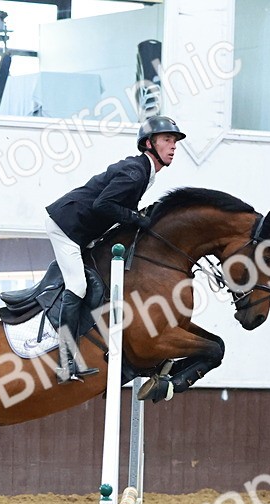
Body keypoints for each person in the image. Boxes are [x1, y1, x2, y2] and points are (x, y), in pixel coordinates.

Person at [43, 115, 186, 382]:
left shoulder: (144, 173)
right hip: (66, 227)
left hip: (82, 227)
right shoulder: (135, 173)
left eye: (174, 141)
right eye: (167, 140)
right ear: (149, 144)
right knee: (78, 287)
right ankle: (64, 362)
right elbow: (103, 205)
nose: (173, 146)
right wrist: (136, 218)